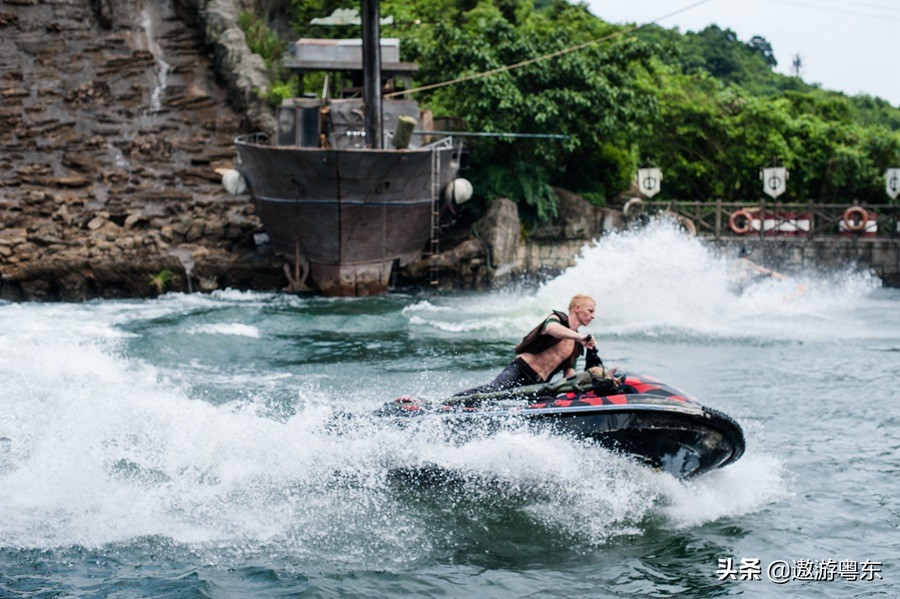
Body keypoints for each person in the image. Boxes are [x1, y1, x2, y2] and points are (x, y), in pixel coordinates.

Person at [458, 294, 598, 396]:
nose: (593, 316)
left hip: (539, 384)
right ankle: (450, 403)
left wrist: (572, 392)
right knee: (493, 392)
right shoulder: (557, 318)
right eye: (590, 311)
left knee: (548, 407)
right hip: (521, 369)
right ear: (577, 308)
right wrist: (581, 337)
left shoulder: (577, 345)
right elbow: (551, 329)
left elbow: (568, 374)